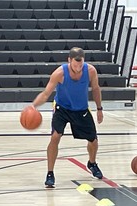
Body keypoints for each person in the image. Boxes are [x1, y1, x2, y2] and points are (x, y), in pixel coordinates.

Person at [30, 47, 104, 188]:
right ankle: (50, 173)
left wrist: (99, 108)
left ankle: (92, 163)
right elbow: (46, 93)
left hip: (81, 109)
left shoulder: (90, 71)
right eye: (75, 65)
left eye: (80, 64)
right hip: (62, 108)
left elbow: (95, 89)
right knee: (55, 137)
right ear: (69, 60)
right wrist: (33, 106)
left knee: (93, 141)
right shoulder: (59, 73)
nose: (78, 68)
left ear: (83, 61)